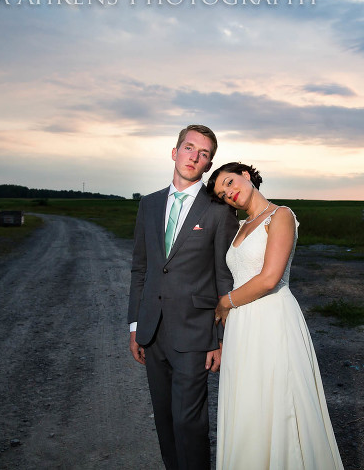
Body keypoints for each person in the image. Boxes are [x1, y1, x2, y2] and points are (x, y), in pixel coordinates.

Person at [206, 162, 344, 469]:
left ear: (246, 175)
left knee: (279, 402)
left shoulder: (281, 215)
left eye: (230, 182)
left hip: (272, 320)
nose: (230, 193)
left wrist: (224, 303)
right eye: (223, 193)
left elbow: (269, 278)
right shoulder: (242, 226)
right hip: (243, 327)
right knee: (250, 405)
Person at [128, 125, 239, 470]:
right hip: (151, 331)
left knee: (188, 424)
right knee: (164, 420)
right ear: (174, 152)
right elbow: (141, 270)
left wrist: (219, 338)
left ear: (208, 165)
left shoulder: (218, 211)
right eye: (189, 148)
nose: (194, 157)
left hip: (195, 335)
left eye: (203, 154)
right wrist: (135, 325)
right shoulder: (148, 205)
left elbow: (225, 277)